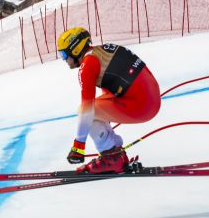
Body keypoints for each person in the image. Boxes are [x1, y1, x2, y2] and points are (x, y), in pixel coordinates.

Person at [56, 27, 161, 174]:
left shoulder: (87, 65)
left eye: (63, 53)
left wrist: (78, 147)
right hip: (150, 98)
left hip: (142, 105)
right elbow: (113, 84)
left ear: (75, 49)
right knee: (96, 110)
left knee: (85, 111)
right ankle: (115, 152)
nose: (64, 59)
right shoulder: (101, 51)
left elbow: (87, 109)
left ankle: (112, 158)